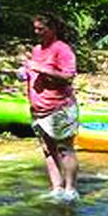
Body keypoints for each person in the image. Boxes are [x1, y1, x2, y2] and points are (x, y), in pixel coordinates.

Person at [22, 13, 79, 202]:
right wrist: (25, 72)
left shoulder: (62, 49)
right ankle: (57, 189)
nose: (36, 32)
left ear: (52, 29)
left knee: (65, 149)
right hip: (38, 110)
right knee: (48, 150)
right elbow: (33, 70)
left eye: (41, 29)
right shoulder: (37, 49)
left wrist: (41, 69)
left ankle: (70, 190)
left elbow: (69, 76)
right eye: (35, 28)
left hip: (59, 108)